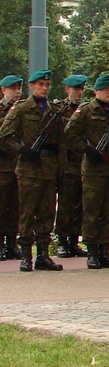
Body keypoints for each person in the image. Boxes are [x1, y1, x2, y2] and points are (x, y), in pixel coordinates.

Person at [64, 75, 109, 269]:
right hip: (94, 168)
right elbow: (70, 133)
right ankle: (92, 251)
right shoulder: (87, 110)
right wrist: (87, 150)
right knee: (92, 210)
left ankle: (105, 250)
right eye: (106, 89)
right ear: (96, 92)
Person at [0, 70, 64, 272]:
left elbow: (62, 143)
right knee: (27, 212)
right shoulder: (21, 109)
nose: (44, 88)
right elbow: (5, 136)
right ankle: (26, 254)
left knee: (47, 213)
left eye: (47, 84)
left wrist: (60, 168)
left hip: (49, 168)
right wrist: (23, 150)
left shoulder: (55, 110)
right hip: (29, 169)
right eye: (40, 84)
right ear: (31, 86)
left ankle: (43, 255)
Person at [54, 74, 89, 259]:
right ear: (67, 89)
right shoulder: (58, 109)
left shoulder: (86, 110)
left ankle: (74, 241)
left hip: (82, 163)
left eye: (82, 89)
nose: (79, 93)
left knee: (80, 205)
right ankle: (62, 241)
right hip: (66, 163)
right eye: (76, 89)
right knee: (66, 205)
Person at [0, 75, 23, 260]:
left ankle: (11, 244)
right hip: (1, 167)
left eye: (19, 88)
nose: (17, 92)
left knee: (16, 207)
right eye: (13, 89)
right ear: (3, 90)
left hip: (18, 165)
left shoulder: (22, 109)